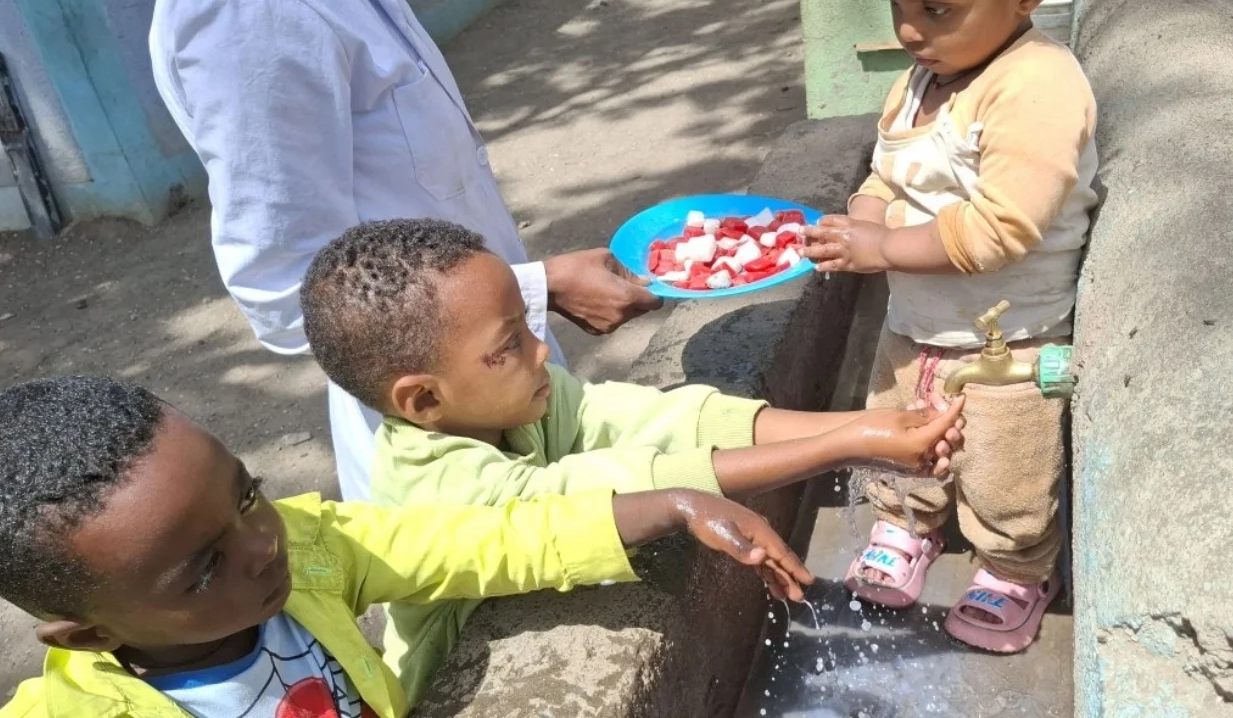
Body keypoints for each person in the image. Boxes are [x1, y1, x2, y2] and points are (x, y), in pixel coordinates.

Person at [298, 217, 967, 700]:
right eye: (509, 343)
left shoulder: (509, 401)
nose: (541, 351)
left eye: (530, 328)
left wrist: (857, 424)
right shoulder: (438, 488)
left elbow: (655, 420)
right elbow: (606, 491)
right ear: (421, 401)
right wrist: (840, 448)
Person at [0, 376, 811, 718]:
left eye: (246, 493)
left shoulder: (316, 548)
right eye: (204, 568)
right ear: (91, 634)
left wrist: (664, 505)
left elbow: (481, 541)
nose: (260, 545)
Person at [148, 0, 662, 503]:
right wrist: (537, 288)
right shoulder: (247, 17)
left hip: (498, 375)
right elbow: (289, 290)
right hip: (450, 440)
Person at [799, 0, 1097, 653]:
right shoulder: (922, 78)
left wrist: (879, 251)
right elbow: (886, 173)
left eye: (938, 9)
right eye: (899, 6)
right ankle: (908, 521)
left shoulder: (1036, 86)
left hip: (1011, 333)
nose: (909, 31)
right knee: (900, 427)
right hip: (914, 319)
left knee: (1004, 461)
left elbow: (1002, 228)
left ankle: (1014, 565)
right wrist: (866, 219)